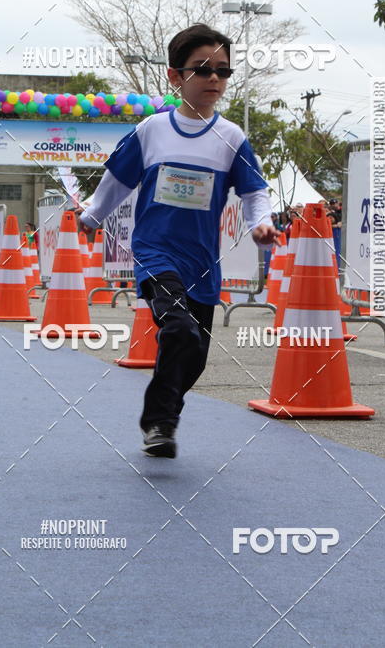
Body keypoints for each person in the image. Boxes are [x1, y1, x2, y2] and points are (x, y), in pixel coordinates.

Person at [79, 23, 280, 458]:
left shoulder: (232, 139)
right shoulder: (152, 130)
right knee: (178, 326)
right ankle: (160, 424)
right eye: (203, 70)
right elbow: (117, 179)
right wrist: (93, 215)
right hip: (155, 252)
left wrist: (259, 224)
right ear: (175, 76)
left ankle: (164, 411)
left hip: (203, 263)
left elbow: (254, 192)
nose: (214, 80)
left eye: (223, 72)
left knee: (195, 353)